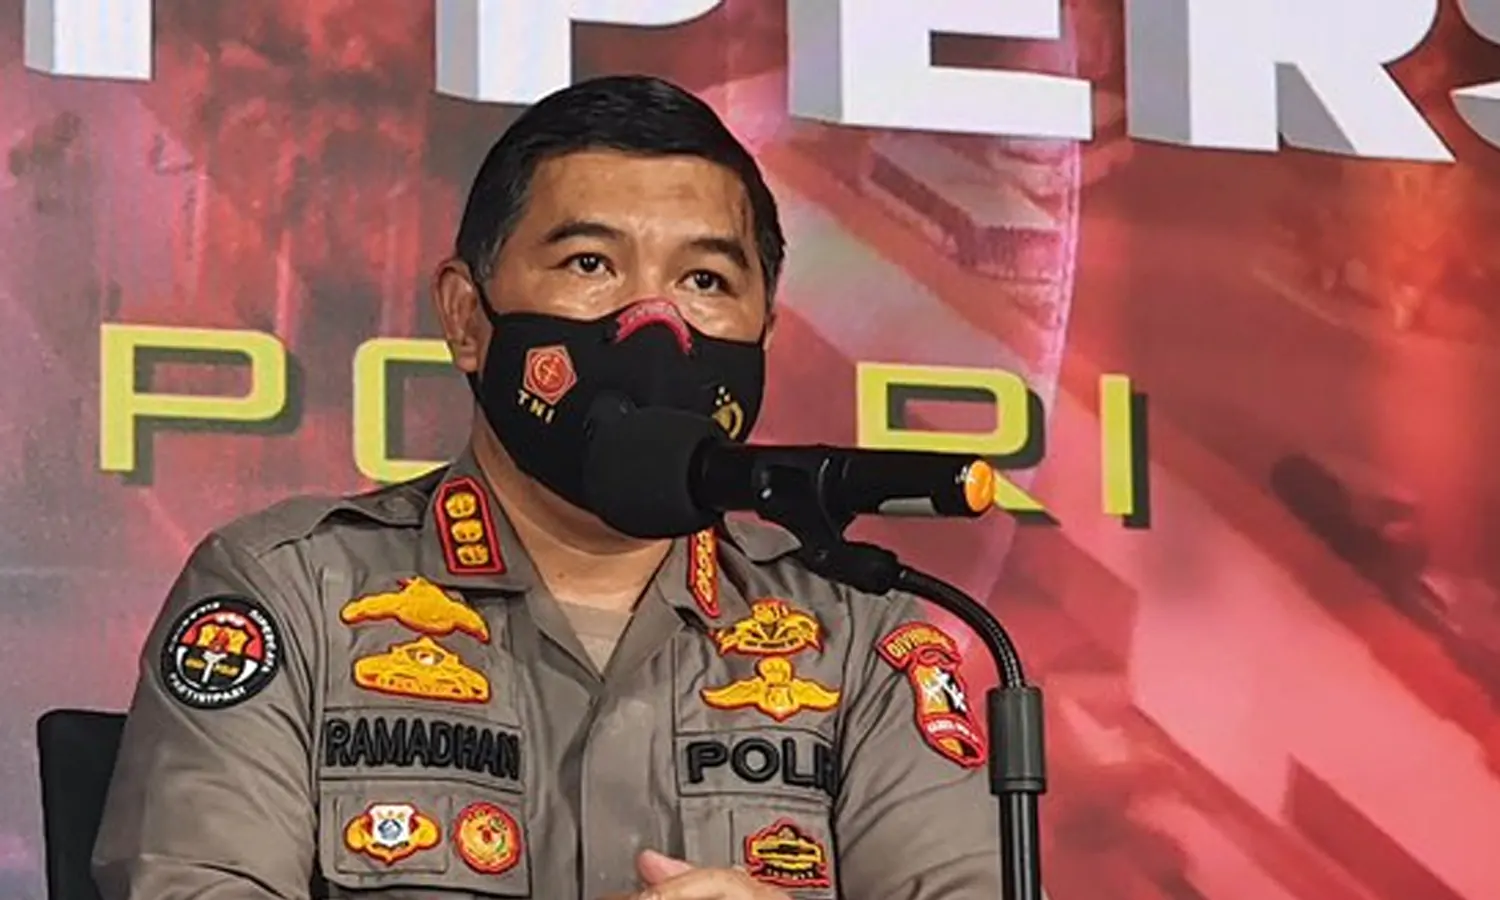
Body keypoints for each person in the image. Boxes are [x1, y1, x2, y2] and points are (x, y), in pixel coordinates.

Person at [92, 75, 1005, 899]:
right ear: (466, 319)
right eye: (590, 265)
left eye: (704, 279)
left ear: (763, 331)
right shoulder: (291, 594)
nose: (654, 326)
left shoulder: (859, 638)